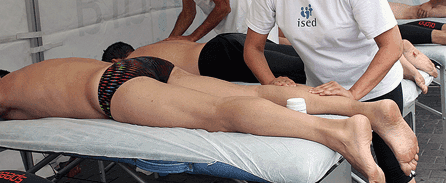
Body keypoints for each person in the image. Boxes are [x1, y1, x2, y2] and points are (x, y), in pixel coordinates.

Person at [0, 57, 418, 183]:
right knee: (248, 91)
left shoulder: (6, 89)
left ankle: (338, 132)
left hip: (110, 88)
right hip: (140, 66)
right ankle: (364, 109)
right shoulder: (31, 72)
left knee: (216, 116)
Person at [243, 0, 414, 183]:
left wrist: (352, 96)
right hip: (320, 96)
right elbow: (252, 48)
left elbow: (391, 45)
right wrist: (271, 83)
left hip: (376, 91)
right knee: (344, 172)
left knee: (396, 175)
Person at [101, 33, 306, 84]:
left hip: (218, 57)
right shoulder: (155, 46)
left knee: (302, 70)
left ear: (115, 62)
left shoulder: (134, 62)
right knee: (305, 59)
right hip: (224, 42)